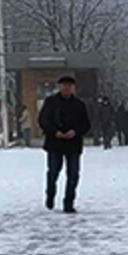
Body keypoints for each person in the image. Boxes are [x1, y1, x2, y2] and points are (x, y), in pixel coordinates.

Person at [39, 75, 91, 213]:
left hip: (73, 144)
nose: (67, 88)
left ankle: (69, 202)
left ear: (73, 88)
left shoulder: (79, 105)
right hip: (55, 143)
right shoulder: (51, 102)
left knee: (73, 174)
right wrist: (55, 132)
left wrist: (75, 131)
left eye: (69, 86)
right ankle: (50, 194)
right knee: (53, 172)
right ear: (60, 87)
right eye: (64, 85)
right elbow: (43, 120)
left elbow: (86, 124)